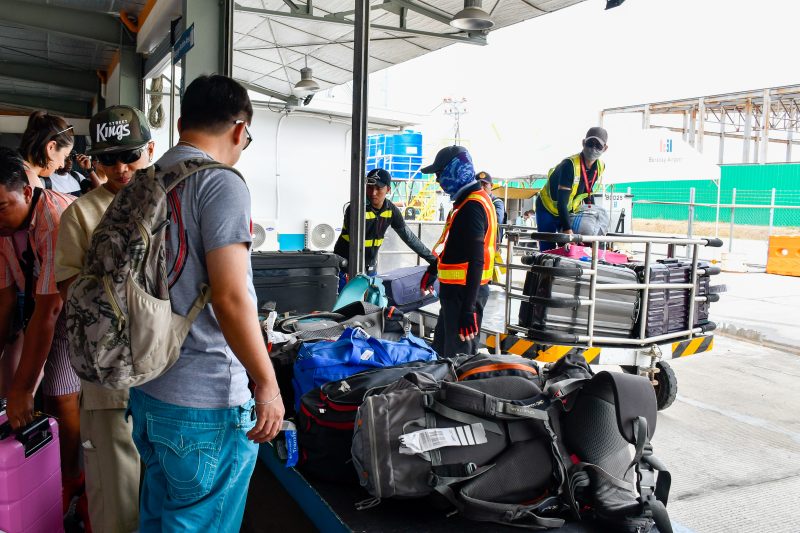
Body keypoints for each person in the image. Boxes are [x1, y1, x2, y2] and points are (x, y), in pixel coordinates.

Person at [127, 74, 283, 532]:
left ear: (179, 124)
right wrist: (267, 384)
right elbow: (232, 297)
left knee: (158, 518)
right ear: (239, 130)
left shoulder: (146, 181)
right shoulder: (221, 183)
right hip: (206, 402)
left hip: (148, 390)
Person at [55, 105, 154, 533]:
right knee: (116, 501)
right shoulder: (81, 214)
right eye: (107, 159)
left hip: (168, 376)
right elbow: (69, 293)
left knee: (165, 497)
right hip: (109, 376)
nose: (121, 168)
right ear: (94, 162)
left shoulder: (173, 203)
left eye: (130, 155)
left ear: (150, 149)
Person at [0, 147, 85, 515]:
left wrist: (22, 389)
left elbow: (51, 309)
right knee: (20, 391)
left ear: (27, 193)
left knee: (60, 395)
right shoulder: (4, 226)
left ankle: (69, 480)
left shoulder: (54, 217)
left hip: (76, 307)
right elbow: (5, 299)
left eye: (2, 206)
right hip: (43, 302)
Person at [419, 146, 497, 358]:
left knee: (459, 359)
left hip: (465, 295)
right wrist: (433, 270)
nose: (437, 180)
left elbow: (476, 259)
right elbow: (454, 246)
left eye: (439, 173)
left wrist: (468, 310)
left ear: (456, 169)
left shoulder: (472, 207)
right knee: (443, 354)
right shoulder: (465, 202)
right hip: (456, 295)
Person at [333, 168, 437, 276]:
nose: (373, 193)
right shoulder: (355, 208)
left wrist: (434, 261)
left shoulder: (391, 210)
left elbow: (409, 238)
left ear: (388, 190)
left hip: (370, 269)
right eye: (369, 187)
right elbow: (356, 243)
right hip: (345, 269)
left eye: (378, 188)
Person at [535, 127, 608, 251]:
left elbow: (588, 194)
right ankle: (543, 267)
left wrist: (592, 221)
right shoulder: (569, 165)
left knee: (570, 248)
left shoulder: (600, 166)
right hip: (547, 209)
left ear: (605, 148)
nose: (593, 148)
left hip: (568, 211)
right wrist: (567, 229)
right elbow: (562, 202)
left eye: (598, 145)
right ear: (583, 143)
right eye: (590, 143)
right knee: (548, 248)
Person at [18, 111, 74, 189]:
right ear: (51, 147)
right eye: (65, 156)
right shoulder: (30, 184)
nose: (62, 165)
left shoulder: (12, 168)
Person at [477, 171, 505, 245]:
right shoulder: (473, 202)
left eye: (485, 184)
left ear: (491, 186)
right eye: (479, 184)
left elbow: (497, 220)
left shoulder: (497, 202)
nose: (482, 187)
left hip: (491, 244)